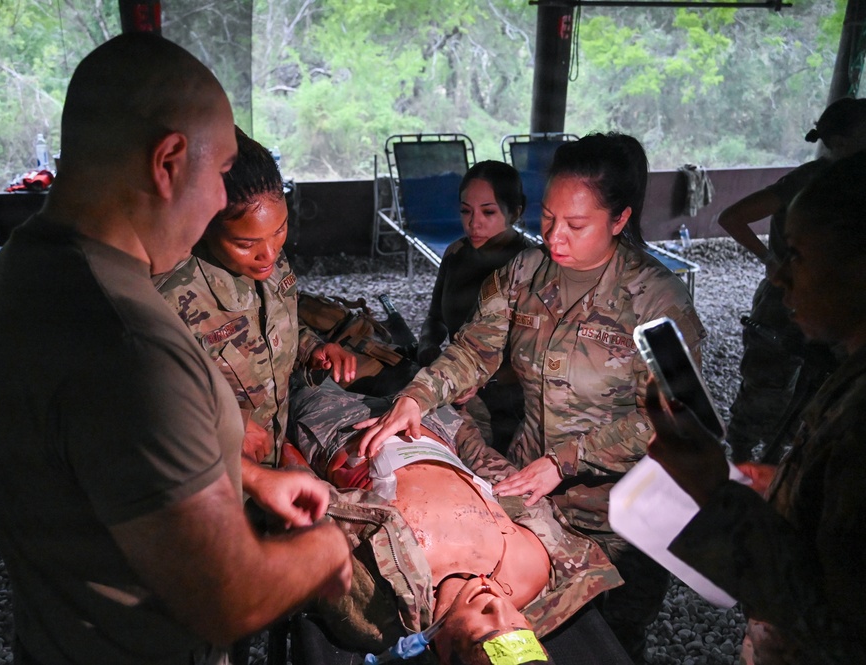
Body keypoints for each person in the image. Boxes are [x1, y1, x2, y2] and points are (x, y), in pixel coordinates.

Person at [0, 34, 351, 665]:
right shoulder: (128, 340)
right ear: (168, 161)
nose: (222, 200)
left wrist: (253, 479)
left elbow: (116, 460)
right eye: (222, 173)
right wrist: (326, 550)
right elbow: (226, 598)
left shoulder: (29, 264)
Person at [355, 132, 705, 664]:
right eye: (547, 217)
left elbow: (674, 418)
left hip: (626, 514)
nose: (554, 237)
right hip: (532, 492)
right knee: (514, 632)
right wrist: (417, 397)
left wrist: (565, 460)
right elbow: (473, 351)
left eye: (576, 225)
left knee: (610, 640)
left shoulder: (659, 302)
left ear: (619, 220)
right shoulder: (524, 273)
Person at [646, 150, 866, 664]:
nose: (778, 276)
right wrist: (788, 485)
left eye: (798, 255)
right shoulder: (850, 375)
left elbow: (836, 627)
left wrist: (712, 491)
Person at [286, 378, 624, 664]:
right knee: (399, 365)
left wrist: (281, 446)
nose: (497, 605)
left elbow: (303, 501)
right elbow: (505, 484)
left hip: (342, 428)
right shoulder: (530, 570)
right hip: (435, 422)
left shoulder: (377, 604)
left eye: (487, 629)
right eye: (518, 624)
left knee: (310, 372)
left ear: (445, 651)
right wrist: (460, 427)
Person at [155, 126, 356, 466]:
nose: (269, 254)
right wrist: (230, 423)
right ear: (204, 224)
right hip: (212, 474)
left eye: (280, 230)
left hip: (272, 461)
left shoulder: (270, 261)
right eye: (245, 243)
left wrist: (310, 348)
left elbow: (267, 327)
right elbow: (144, 400)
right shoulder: (168, 296)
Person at [717, 97, 866, 463]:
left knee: (816, 393)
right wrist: (774, 261)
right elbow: (732, 217)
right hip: (784, 307)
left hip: (820, 303)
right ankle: (741, 461)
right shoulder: (812, 181)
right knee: (767, 386)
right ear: (842, 141)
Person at [417, 160, 535, 454]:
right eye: (466, 211)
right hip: (454, 384)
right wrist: (428, 348)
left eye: (488, 212)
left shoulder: (531, 266)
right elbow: (435, 318)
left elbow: (537, 355)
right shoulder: (456, 254)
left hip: (511, 403)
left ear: (515, 212)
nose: (474, 223)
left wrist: (479, 379)